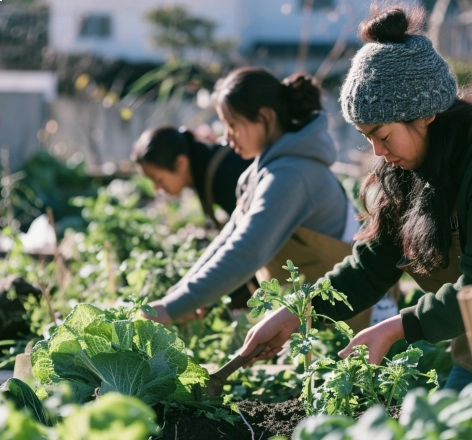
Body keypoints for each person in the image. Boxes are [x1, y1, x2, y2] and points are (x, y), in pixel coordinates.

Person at [240, 6, 472, 440]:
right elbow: (372, 267)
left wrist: (395, 328)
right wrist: (299, 312)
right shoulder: (407, 168)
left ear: (425, 114)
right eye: (365, 135)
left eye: (382, 134)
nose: (376, 149)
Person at [142, 66, 394, 330]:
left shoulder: (292, 174)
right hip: (320, 318)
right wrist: (176, 298)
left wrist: (172, 307)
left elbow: (245, 251)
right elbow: (228, 240)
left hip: (362, 319)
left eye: (232, 125)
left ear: (264, 117)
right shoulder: (265, 171)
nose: (226, 137)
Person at [131, 125, 252, 228]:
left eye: (158, 179)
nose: (156, 188)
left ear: (180, 163)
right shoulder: (204, 166)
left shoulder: (224, 176)